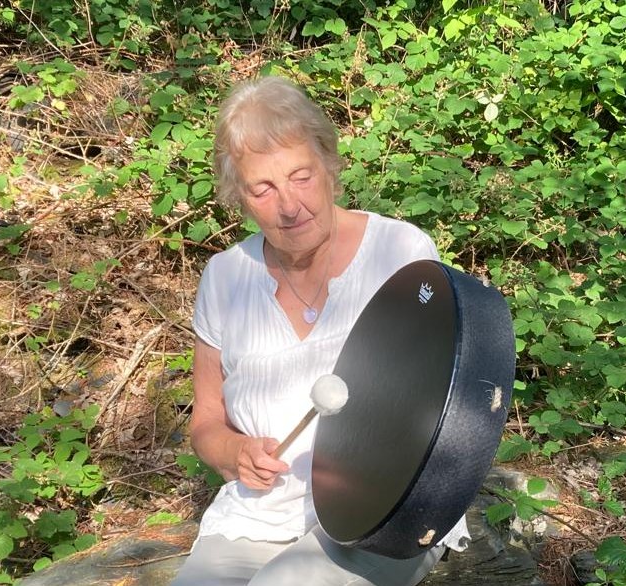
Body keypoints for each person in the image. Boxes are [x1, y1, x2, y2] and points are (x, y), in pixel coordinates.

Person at [171, 76, 467, 586]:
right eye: (263, 188)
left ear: (330, 163)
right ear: (237, 196)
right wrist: (234, 453)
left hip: (378, 513)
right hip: (256, 518)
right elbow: (206, 423)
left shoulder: (400, 254)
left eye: (301, 176)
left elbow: (435, 406)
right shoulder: (224, 276)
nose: (289, 205)